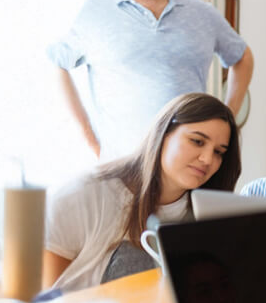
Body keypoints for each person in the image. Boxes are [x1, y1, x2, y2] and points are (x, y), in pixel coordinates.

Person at [48, 0, 254, 161]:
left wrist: (227, 118)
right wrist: (90, 138)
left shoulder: (203, 13)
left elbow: (243, 57)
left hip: (191, 170)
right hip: (122, 169)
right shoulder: (95, 12)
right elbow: (58, 65)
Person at [42, 93, 242, 292]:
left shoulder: (209, 213)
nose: (208, 159)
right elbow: (41, 296)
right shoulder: (83, 195)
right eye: (197, 141)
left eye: (219, 152)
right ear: (163, 134)